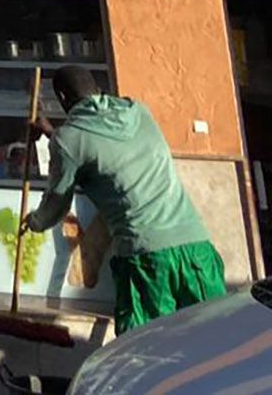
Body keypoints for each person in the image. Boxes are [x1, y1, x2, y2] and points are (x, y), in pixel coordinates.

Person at [24, 65, 225, 332]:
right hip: (197, 248)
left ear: (62, 97)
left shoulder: (68, 141)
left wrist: (34, 222)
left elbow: (57, 204)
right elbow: (105, 148)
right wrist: (53, 133)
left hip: (146, 259)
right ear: (97, 88)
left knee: (145, 351)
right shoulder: (138, 111)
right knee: (219, 341)